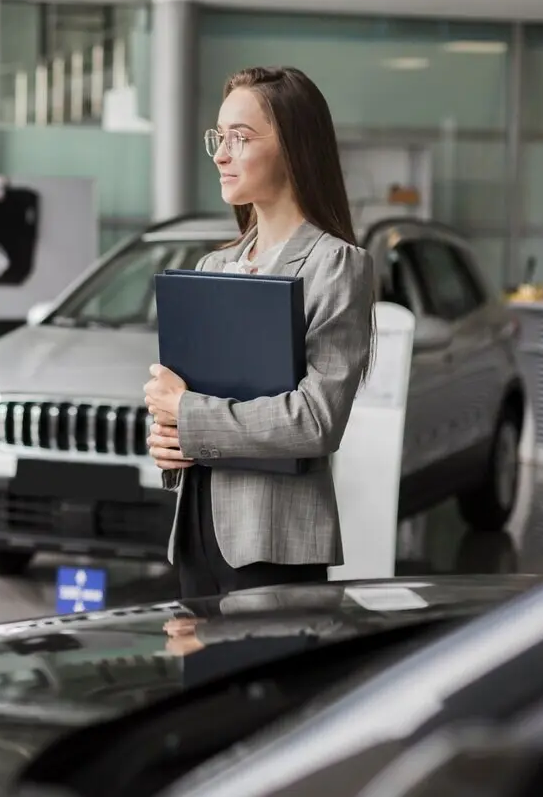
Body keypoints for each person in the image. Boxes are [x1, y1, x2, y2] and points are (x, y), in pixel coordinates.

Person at [144, 65, 375, 599]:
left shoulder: (335, 266)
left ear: (293, 148)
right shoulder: (211, 267)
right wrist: (165, 434)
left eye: (240, 139)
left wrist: (187, 415)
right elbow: (181, 401)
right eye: (218, 139)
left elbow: (316, 421)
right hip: (198, 532)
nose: (222, 155)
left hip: (274, 543)